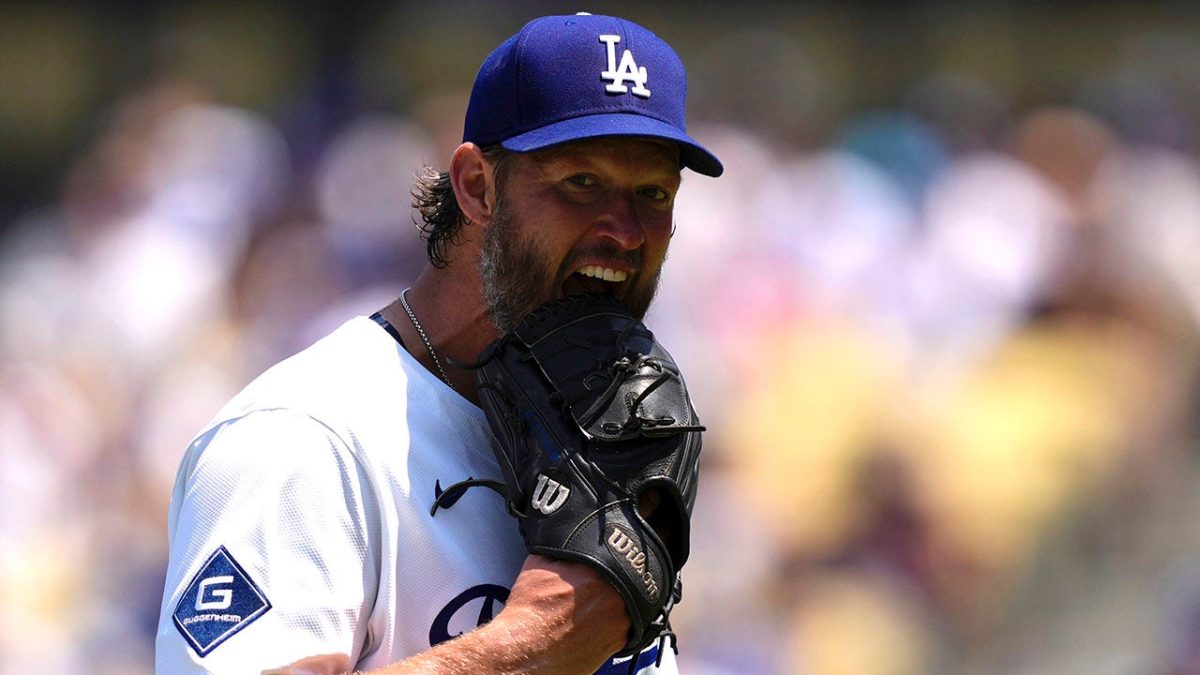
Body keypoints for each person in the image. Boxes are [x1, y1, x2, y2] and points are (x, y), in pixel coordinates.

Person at [155, 12, 722, 675]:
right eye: (582, 183)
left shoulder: (607, 425)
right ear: (478, 187)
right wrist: (536, 646)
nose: (626, 231)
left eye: (653, 193)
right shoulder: (303, 440)